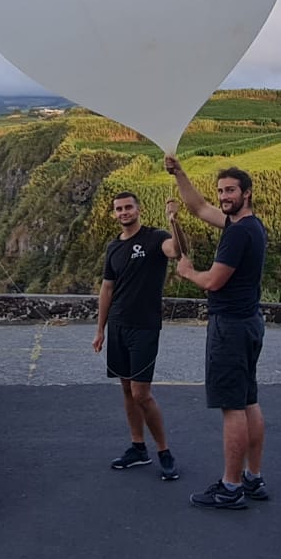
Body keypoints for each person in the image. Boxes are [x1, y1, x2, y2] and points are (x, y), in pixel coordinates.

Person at [165, 156, 270, 510]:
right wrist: (179, 173)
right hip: (251, 322)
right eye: (221, 190)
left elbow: (213, 282)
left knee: (232, 407)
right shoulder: (250, 225)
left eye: (231, 191)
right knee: (249, 400)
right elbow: (198, 207)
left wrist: (188, 272)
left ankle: (230, 486)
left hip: (231, 326)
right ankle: (252, 478)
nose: (224, 196)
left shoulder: (237, 233)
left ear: (247, 193)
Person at [92, 190, 181, 481]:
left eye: (128, 207)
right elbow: (107, 289)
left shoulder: (155, 238)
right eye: (118, 209)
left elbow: (177, 251)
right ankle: (138, 447)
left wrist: (174, 222)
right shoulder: (111, 248)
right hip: (117, 326)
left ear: (138, 209)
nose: (123, 213)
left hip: (144, 326)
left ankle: (164, 451)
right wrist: (100, 330)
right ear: (114, 214)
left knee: (141, 394)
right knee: (126, 391)